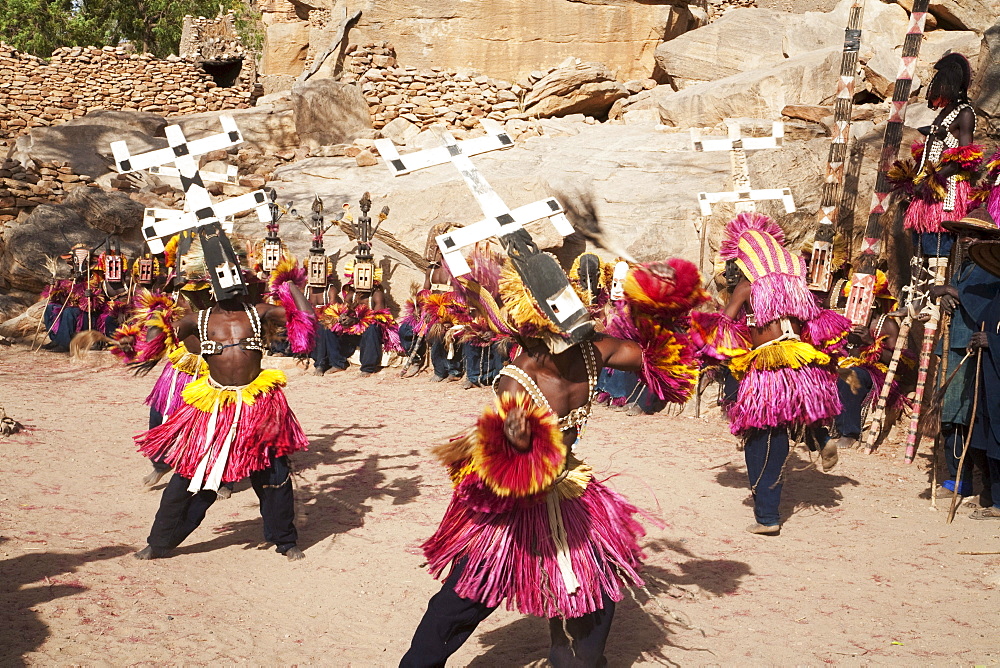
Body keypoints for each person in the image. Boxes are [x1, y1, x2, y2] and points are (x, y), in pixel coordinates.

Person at [400, 243, 707, 666]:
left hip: (524, 504)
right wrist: (662, 311)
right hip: (556, 493)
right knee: (578, 591)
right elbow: (661, 360)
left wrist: (514, 444)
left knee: (473, 596)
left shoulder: (515, 378)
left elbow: (512, 465)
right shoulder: (595, 350)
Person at [132, 241, 316, 561]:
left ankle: (285, 540)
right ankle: (160, 541)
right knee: (191, 476)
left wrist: (289, 284)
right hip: (215, 409)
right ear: (211, 286)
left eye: (235, 276)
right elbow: (153, 340)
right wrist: (157, 310)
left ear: (244, 279)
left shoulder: (260, 313)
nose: (230, 282)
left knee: (273, 474)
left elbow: (306, 317)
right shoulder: (197, 320)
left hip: (259, 407)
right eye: (222, 277)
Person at [692, 212, 850, 535]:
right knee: (798, 406)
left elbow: (726, 320)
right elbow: (811, 321)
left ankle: (767, 516)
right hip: (798, 354)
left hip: (768, 362)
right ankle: (821, 436)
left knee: (761, 432)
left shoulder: (748, 286)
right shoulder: (793, 283)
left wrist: (708, 344)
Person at [930, 210, 1000, 504]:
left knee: (966, 416)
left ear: (986, 240)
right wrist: (947, 293)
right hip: (954, 345)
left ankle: (969, 480)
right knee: (948, 415)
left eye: (974, 235)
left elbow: (983, 304)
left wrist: (948, 290)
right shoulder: (964, 269)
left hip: (975, 351)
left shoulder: (989, 271)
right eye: (963, 234)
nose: (967, 239)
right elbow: (961, 297)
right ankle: (957, 478)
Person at [891, 53, 982, 260]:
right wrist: (916, 179)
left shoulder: (965, 113)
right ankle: (918, 290)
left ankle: (936, 289)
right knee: (920, 249)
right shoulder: (944, 113)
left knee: (937, 246)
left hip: (945, 188)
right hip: (929, 185)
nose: (936, 90)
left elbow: (965, 157)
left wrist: (934, 179)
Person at [831, 271, 911, 451]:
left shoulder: (886, 324)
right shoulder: (843, 320)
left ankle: (849, 433)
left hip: (875, 372)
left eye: (860, 300)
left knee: (849, 376)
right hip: (845, 364)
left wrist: (870, 343)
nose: (854, 305)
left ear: (873, 304)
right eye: (852, 300)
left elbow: (897, 363)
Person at [399, 223, 469, 382]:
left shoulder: (457, 269)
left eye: (437, 248)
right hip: (430, 312)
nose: (434, 251)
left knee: (438, 332)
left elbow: (461, 298)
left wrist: (443, 316)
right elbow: (425, 291)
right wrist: (420, 309)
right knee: (405, 329)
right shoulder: (431, 269)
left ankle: (449, 371)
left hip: (451, 313)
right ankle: (416, 359)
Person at [318, 260, 399, 377]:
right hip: (352, 333)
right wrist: (342, 317)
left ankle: (368, 367)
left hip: (370, 336)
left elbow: (379, 319)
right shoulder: (352, 295)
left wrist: (356, 321)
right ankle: (336, 363)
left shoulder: (377, 295)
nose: (362, 280)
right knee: (328, 325)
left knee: (372, 327)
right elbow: (343, 310)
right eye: (359, 277)